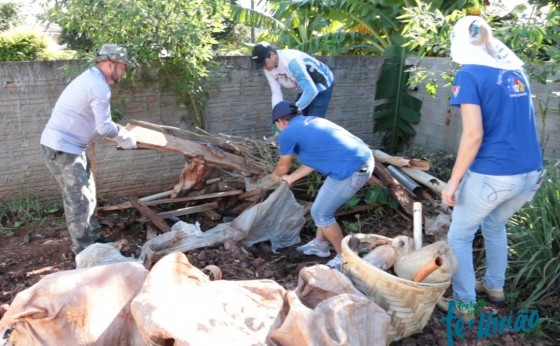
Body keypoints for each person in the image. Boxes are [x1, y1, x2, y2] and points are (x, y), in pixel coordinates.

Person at [440, 16, 544, 321]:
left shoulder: (469, 74)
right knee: (494, 226)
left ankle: (465, 305)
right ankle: (495, 287)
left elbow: (473, 135)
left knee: (459, 236)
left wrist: (453, 182)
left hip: (494, 174)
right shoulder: (516, 71)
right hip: (530, 174)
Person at [40, 44, 138, 254]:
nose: (124, 72)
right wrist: (123, 137)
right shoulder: (98, 86)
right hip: (63, 149)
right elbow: (104, 127)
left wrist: (118, 131)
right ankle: (84, 251)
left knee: (89, 194)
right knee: (79, 199)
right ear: (111, 64)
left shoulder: (92, 79)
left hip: (72, 148)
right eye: (123, 67)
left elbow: (97, 122)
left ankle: (93, 239)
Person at [270, 101, 374, 270]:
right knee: (322, 208)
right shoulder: (311, 122)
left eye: (276, 124)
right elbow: (312, 162)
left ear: (280, 121)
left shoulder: (288, 133)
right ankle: (319, 245)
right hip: (360, 162)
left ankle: (344, 259)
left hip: (351, 170)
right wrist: (291, 178)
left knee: (320, 212)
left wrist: (274, 177)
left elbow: (283, 166)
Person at [252, 42, 334, 118]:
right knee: (297, 118)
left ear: (272, 54)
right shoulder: (268, 69)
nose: (264, 67)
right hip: (305, 87)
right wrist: (277, 116)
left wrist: (294, 109)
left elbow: (311, 91)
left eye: (264, 63)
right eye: (261, 65)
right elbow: (276, 93)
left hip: (322, 83)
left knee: (312, 121)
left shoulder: (291, 61)